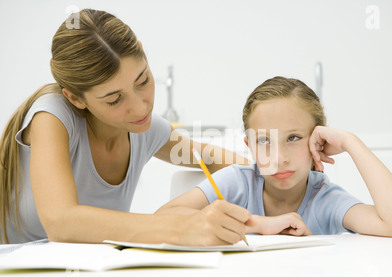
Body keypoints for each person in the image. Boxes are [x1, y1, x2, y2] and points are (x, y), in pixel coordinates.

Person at [0, 9, 251, 245]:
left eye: (142, 81)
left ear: (143, 52)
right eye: (114, 99)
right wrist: (183, 228)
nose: (140, 108)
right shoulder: (53, 117)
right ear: (75, 98)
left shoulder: (146, 130)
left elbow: (207, 157)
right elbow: (61, 222)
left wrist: (271, 181)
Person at [156, 76, 392, 238]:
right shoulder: (236, 183)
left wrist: (352, 143)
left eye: (293, 138)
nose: (279, 158)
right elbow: (161, 219)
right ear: (249, 145)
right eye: (264, 141)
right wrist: (259, 225)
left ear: (318, 140)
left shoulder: (324, 199)